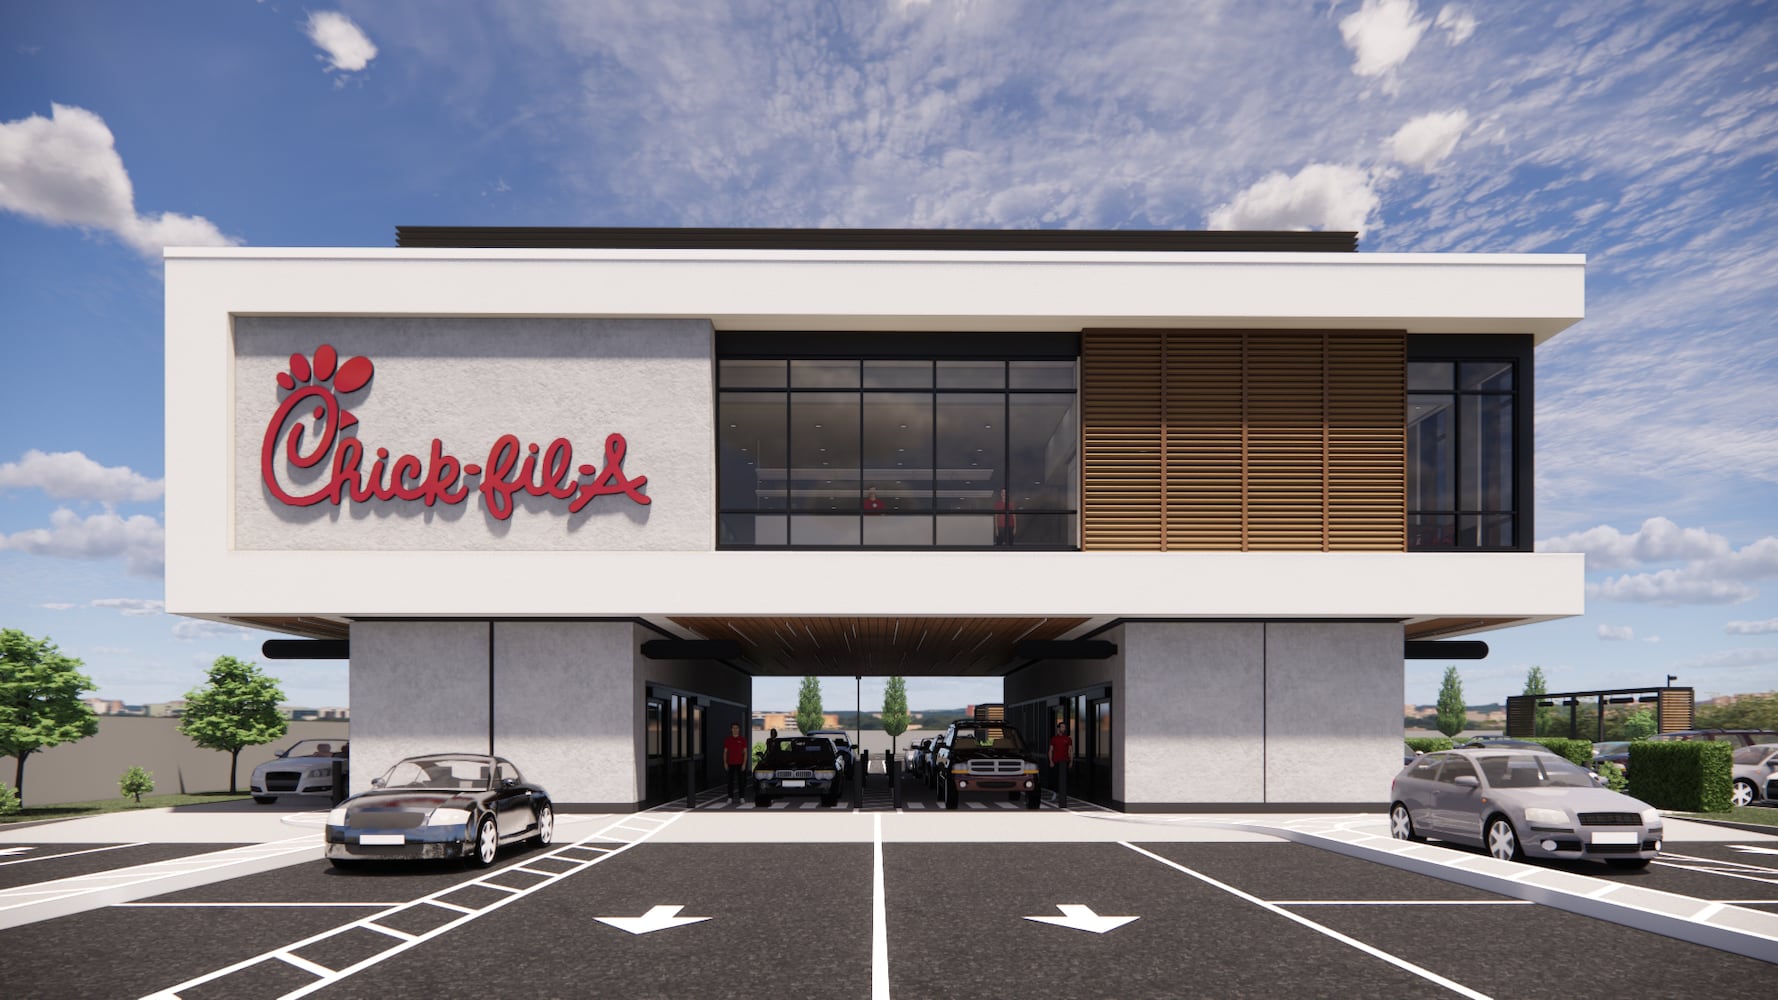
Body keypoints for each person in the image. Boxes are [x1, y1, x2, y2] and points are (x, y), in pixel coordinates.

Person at [723, 723, 749, 804]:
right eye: (733, 728)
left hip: (740, 764)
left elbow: (745, 752)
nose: (735, 729)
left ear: (739, 729)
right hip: (730, 763)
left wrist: (744, 764)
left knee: (741, 782)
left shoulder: (742, 739)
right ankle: (730, 797)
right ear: (731, 729)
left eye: (736, 728)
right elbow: (725, 752)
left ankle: (741, 797)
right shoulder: (728, 739)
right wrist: (725, 763)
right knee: (730, 781)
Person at [1048, 722, 1072, 796]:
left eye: (1064, 727)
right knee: (1055, 778)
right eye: (1062, 727)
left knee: (1065, 779)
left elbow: (1070, 751)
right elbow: (1050, 750)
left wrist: (1071, 762)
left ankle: (1064, 794)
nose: (1063, 728)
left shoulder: (1068, 739)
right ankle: (1055, 792)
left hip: (1065, 762)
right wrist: (1051, 761)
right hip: (1056, 762)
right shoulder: (1054, 739)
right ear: (1058, 728)